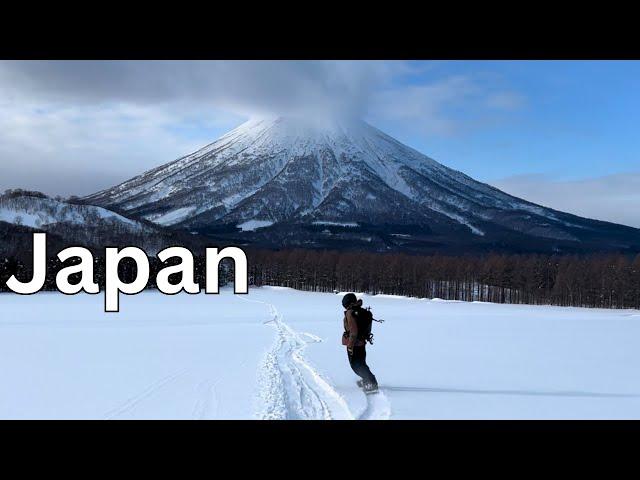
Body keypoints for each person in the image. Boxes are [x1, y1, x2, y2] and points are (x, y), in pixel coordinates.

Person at [341, 292, 378, 393]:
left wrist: (350, 346)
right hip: (361, 342)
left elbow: (353, 332)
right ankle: (367, 379)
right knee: (361, 363)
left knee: (356, 366)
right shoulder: (359, 310)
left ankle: (372, 382)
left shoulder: (350, 312)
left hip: (355, 344)